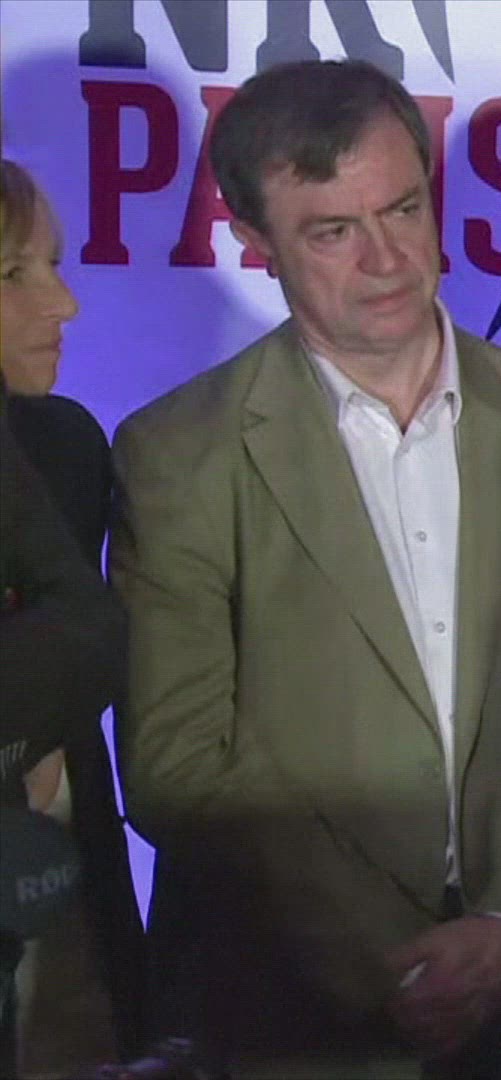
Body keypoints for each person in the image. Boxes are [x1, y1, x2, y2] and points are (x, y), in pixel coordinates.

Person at [110, 59, 501, 1077]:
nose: (388, 259)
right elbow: (179, 767)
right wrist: (390, 971)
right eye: (333, 232)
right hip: (304, 1021)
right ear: (255, 242)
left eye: (404, 208)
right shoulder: (180, 453)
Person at [0, 159, 144, 1078]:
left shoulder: (63, 448)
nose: (64, 305)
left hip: (62, 953)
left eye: (52, 265)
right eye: (14, 274)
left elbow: (90, 645)